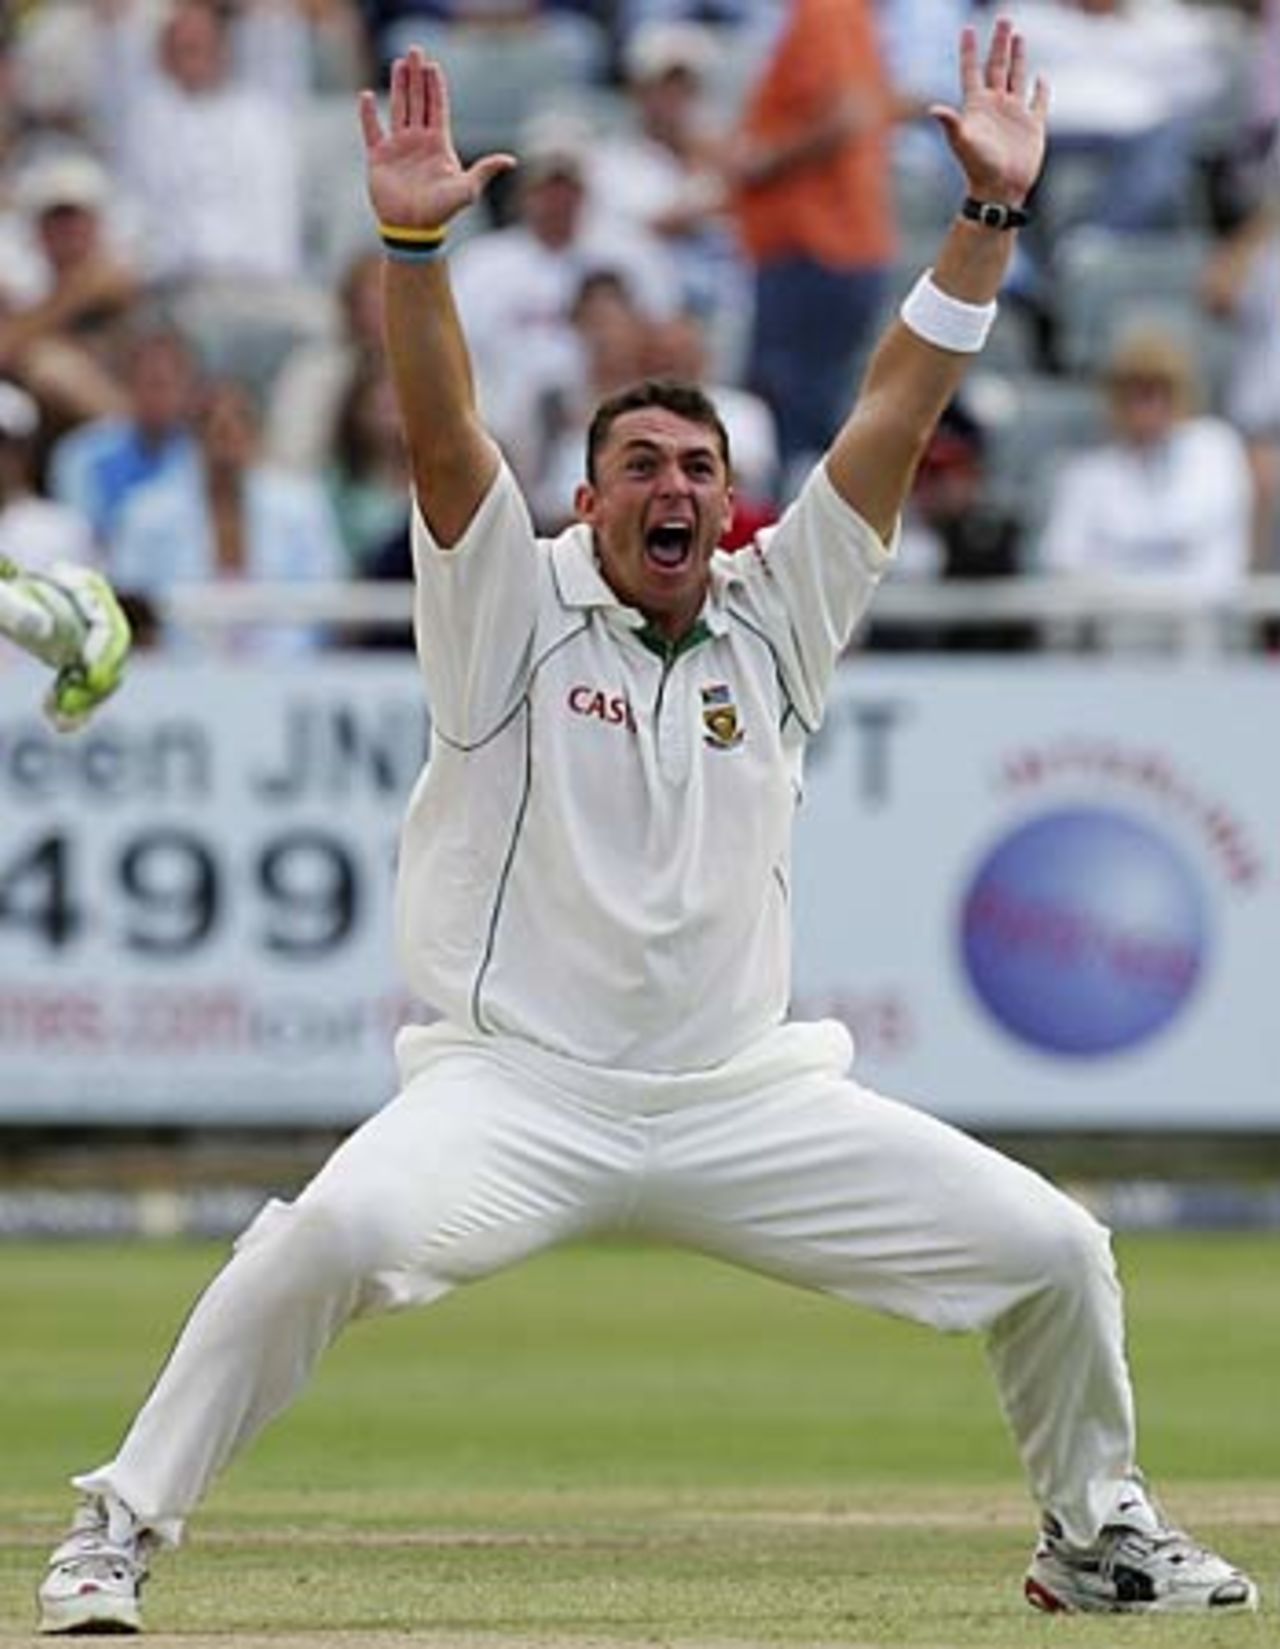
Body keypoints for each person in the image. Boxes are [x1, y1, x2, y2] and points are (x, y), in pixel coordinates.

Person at [35, 25, 1260, 1637]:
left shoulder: (779, 610)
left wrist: (987, 221)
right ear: (588, 501)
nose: (675, 488)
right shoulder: (506, 604)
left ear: (728, 504)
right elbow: (443, 429)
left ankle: (1095, 1534)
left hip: (745, 1092)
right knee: (329, 1230)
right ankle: (116, 1530)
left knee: (1052, 1249)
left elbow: (896, 409)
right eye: (639, 468)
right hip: (516, 1089)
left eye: (700, 468)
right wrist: (413, 249)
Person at [0, 551, 131, 730]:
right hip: (71, 600)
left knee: (36, 626)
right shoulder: (98, 664)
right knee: (36, 625)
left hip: (65, 601)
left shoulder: (80, 666)